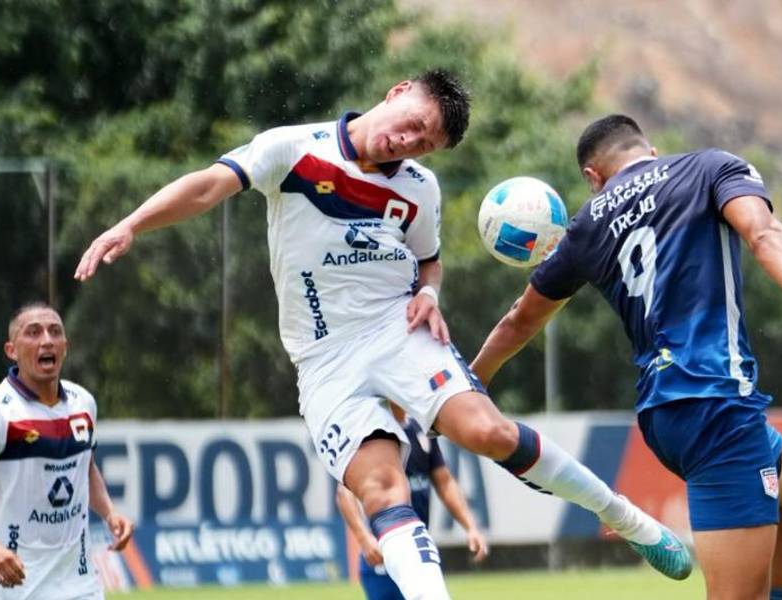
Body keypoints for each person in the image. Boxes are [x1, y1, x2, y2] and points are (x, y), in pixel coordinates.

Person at [74, 71, 688, 600]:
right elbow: (209, 185)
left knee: (488, 432)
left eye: (427, 142)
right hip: (322, 362)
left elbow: (429, 261)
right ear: (397, 92)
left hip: (397, 334)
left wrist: (430, 293)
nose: (412, 142)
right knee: (379, 487)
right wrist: (131, 225)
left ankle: (626, 518)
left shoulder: (420, 188)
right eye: (416, 122)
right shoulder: (293, 149)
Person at [470, 114, 782, 600]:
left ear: (593, 178)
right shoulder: (708, 169)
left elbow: (520, 320)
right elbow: (764, 234)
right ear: (651, 150)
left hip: (665, 411)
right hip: (715, 402)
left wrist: (472, 384)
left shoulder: (588, 224)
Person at [0, 302, 134, 599]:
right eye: (33, 332)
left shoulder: (83, 404)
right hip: (16, 586)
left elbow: (85, 467)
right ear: (12, 350)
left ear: (65, 346)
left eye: (55, 332)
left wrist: (110, 513)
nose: (46, 340)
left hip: (80, 584)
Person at [337, 403, 488, 600]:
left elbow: (444, 482)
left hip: (417, 546)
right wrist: (364, 539)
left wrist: (471, 527)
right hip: (382, 551)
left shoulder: (420, 431)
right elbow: (344, 493)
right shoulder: (370, 430)